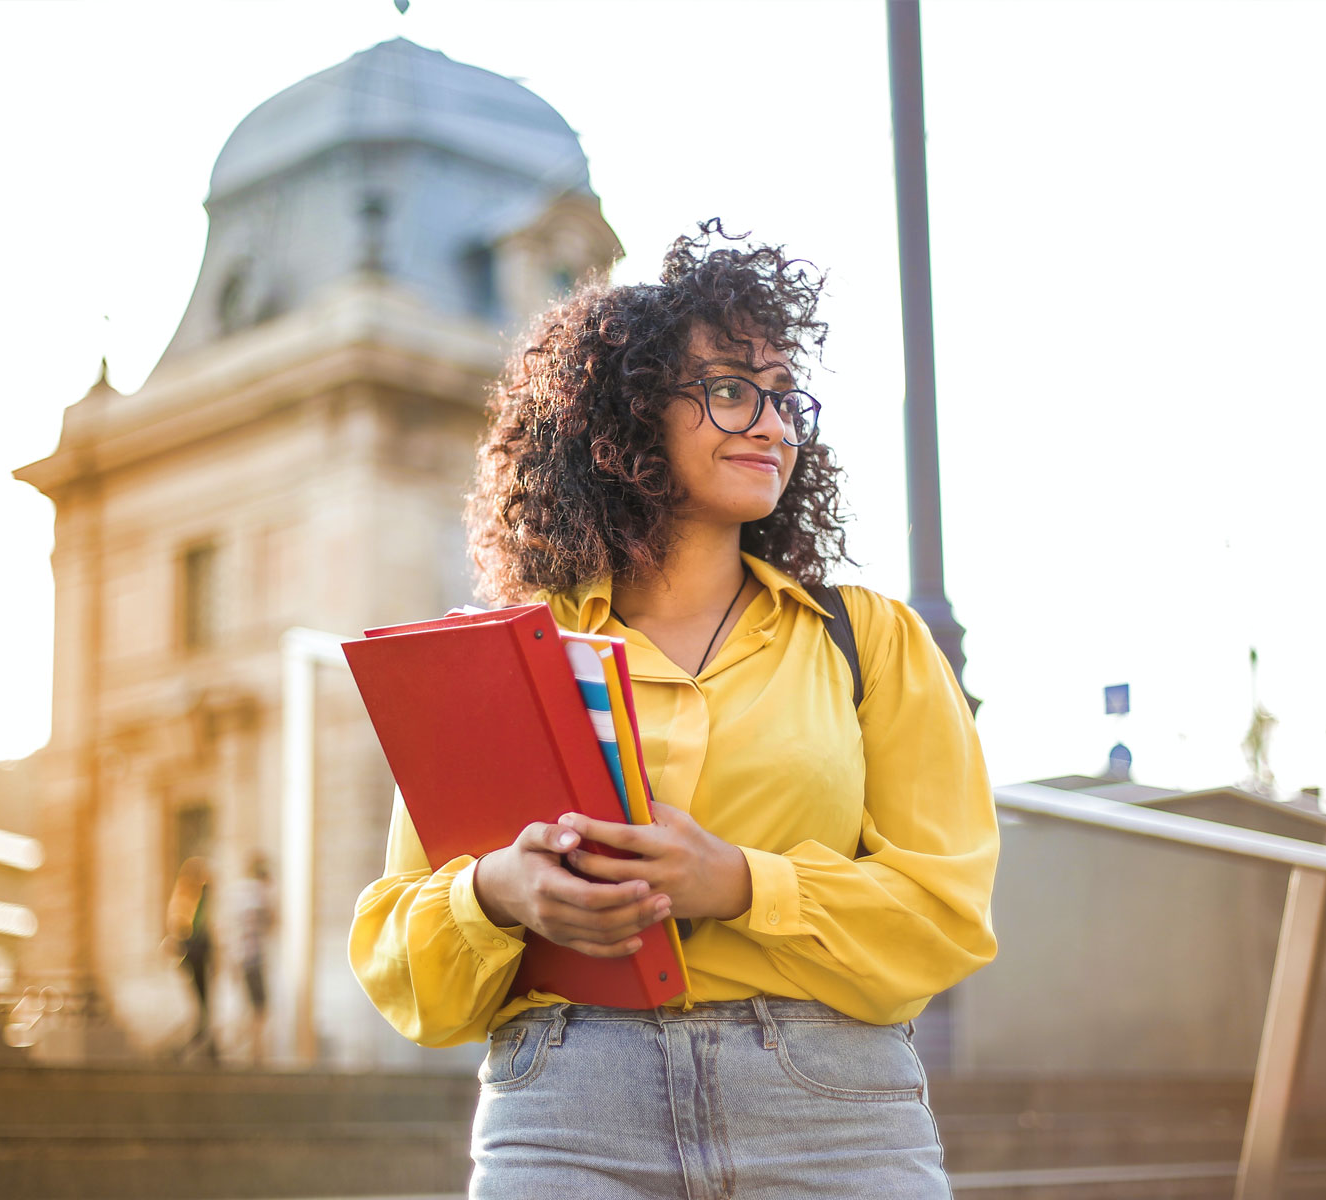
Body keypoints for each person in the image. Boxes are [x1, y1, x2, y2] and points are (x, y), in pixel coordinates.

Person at [350, 221, 999, 1197]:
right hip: (565, 1107)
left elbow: (944, 917)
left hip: (828, 1110)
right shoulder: (510, 660)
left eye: (786, 399)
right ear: (626, 416)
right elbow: (402, 960)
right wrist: (496, 894)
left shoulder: (870, 640)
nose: (773, 423)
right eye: (733, 389)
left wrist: (737, 882)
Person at [166, 856, 217, 1064]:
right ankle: (201, 1043)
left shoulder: (198, 899)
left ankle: (207, 1044)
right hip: (193, 954)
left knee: (204, 1002)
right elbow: (180, 927)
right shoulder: (185, 899)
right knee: (200, 1002)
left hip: (200, 955)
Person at [226, 853, 276, 1064]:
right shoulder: (259, 894)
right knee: (259, 1007)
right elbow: (272, 921)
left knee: (248, 1005)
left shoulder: (238, 894)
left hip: (239, 956)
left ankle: (248, 1049)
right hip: (254, 957)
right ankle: (255, 1052)